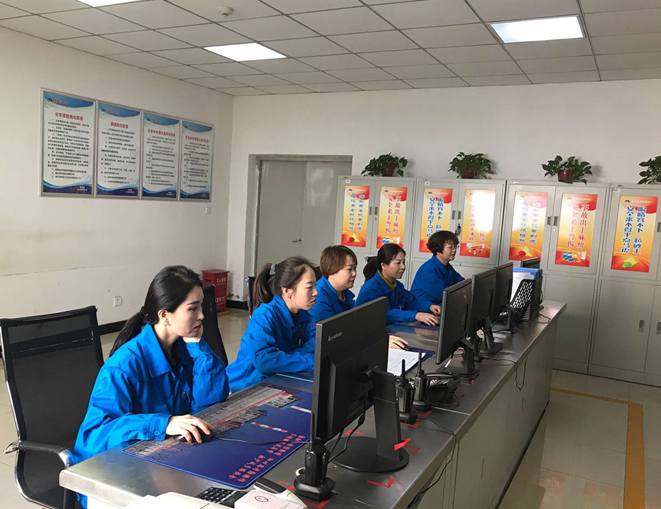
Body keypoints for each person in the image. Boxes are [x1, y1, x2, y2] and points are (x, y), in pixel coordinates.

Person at [73, 266, 230, 506]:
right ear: (164, 315)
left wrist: (198, 345)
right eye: (192, 309)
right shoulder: (123, 367)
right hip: (110, 478)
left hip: (160, 461)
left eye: (201, 307)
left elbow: (212, 402)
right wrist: (162, 423)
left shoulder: (183, 349)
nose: (201, 316)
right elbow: (95, 435)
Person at [227, 256, 317, 393]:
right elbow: (264, 361)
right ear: (287, 290)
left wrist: (286, 358)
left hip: (277, 378)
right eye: (309, 287)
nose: (316, 292)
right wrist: (306, 361)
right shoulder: (264, 316)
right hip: (246, 385)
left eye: (315, 285)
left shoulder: (304, 314)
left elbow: (317, 341)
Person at [310, 245, 409, 349]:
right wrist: (376, 340)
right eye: (349, 269)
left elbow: (355, 325)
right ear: (331, 269)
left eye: (355, 268)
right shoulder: (319, 298)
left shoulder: (344, 294)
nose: (354, 274)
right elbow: (334, 336)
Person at [356, 244, 441, 326]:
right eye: (398, 263)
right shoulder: (371, 288)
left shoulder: (398, 286)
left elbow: (411, 302)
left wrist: (429, 306)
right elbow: (384, 314)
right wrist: (416, 315)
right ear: (383, 265)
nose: (403, 267)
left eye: (403, 262)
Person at [411, 231, 464, 305]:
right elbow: (446, 295)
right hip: (424, 309)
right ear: (438, 249)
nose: (454, 250)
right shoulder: (427, 271)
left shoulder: (447, 267)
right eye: (450, 247)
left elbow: (462, 283)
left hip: (439, 306)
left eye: (455, 246)